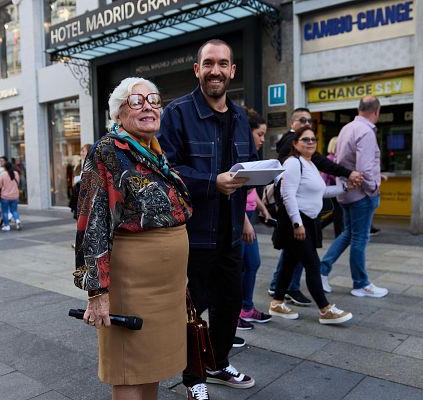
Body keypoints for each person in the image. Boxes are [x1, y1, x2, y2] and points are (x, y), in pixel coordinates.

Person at [75, 77, 192, 400]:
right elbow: (91, 221)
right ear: (118, 113)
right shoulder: (108, 150)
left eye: (153, 99)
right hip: (132, 283)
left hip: (165, 286)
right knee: (128, 369)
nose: (148, 107)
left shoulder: (153, 151)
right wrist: (96, 291)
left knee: (151, 365)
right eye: (136, 101)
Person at [158, 39, 256, 400]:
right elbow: (166, 170)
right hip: (194, 234)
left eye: (223, 63)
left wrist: (248, 209)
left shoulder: (241, 116)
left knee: (229, 304)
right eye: (209, 63)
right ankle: (193, 377)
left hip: (231, 232)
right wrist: (211, 183)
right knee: (191, 310)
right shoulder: (178, 113)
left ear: (232, 71)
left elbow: (246, 168)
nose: (216, 70)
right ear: (197, 69)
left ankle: (218, 362)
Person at [268, 109, 363, 305]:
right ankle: (325, 308)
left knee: (289, 262)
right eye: (305, 139)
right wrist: (297, 224)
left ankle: (277, 302)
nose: (310, 142)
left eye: (313, 139)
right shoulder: (294, 162)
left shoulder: (309, 163)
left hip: (309, 219)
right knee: (312, 264)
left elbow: (320, 191)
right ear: (295, 141)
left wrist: (344, 187)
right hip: (298, 220)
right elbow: (288, 194)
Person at [319, 96, 389, 298]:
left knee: (348, 234)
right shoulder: (366, 131)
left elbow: (344, 162)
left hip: (348, 192)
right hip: (362, 195)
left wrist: (376, 175)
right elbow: (365, 168)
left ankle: (323, 269)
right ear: (376, 111)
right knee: (359, 238)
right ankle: (361, 284)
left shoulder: (347, 128)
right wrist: (373, 185)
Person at [238, 109, 273, 331]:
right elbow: (234, 193)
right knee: (239, 267)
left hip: (249, 216)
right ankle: (234, 313)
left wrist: (262, 208)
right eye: (259, 134)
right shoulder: (238, 152)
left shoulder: (252, 155)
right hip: (240, 220)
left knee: (252, 263)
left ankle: (246, 308)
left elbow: (250, 192)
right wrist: (245, 222)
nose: (262, 139)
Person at [0, 161, 22, 231]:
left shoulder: (3, 174)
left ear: (5, 167)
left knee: (5, 212)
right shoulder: (16, 173)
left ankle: (7, 226)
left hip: (5, 196)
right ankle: (17, 220)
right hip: (15, 195)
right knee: (14, 210)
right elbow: (18, 182)